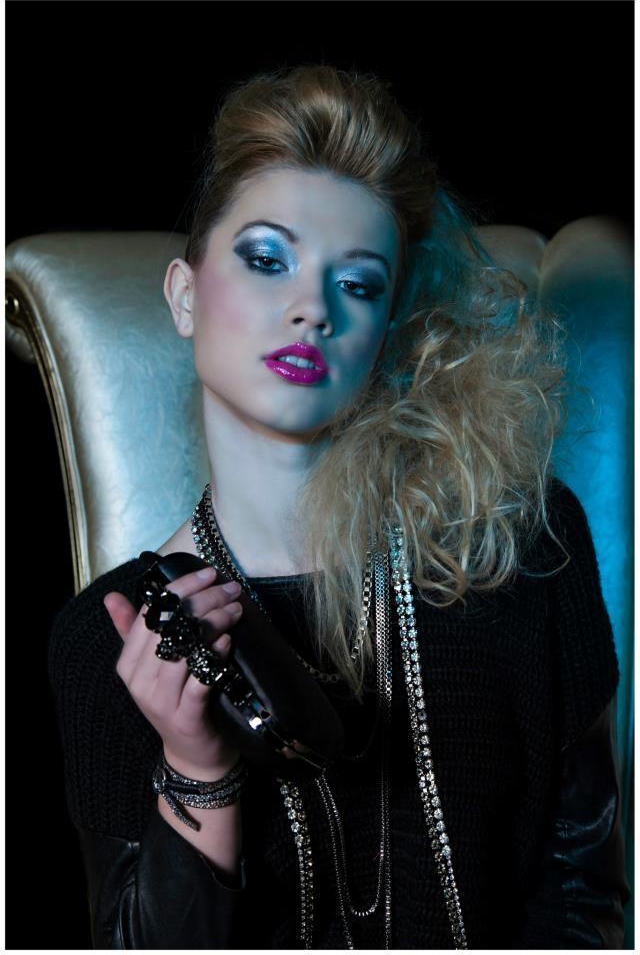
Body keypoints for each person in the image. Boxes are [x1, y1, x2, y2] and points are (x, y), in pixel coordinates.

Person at [49, 64, 629, 949]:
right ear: (184, 296)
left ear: (384, 330)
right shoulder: (107, 641)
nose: (311, 309)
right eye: (267, 260)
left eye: (357, 283)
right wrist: (196, 768)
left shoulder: (522, 547)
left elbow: (584, 902)